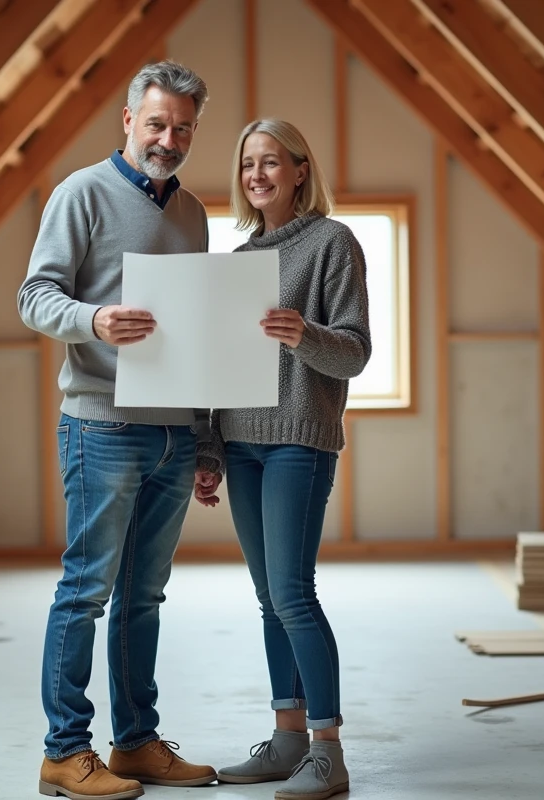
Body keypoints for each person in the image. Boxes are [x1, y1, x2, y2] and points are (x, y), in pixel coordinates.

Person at [18, 61, 218, 800]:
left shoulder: (193, 214)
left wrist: (201, 442)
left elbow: (196, 335)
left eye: (183, 128)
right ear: (127, 121)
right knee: (85, 593)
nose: (169, 138)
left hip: (171, 434)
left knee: (143, 597)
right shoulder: (81, 194)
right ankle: (63, 754)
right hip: (100, 426)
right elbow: (34, 295)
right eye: (157, 123)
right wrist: (93, 319)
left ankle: (134, 743)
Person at [194, 119, 371, 800]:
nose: (257, 175)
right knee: (269, 600)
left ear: (301, 170)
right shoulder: (238, 262)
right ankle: (288, 737)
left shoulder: (332, 243)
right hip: (240, 443)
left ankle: (328, 750)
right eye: (247, 165)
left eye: (271, 162)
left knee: (294, 594)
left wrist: (303, 333)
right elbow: (216, 364)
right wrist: (209, 449)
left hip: (301, 436)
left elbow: (354, 350)